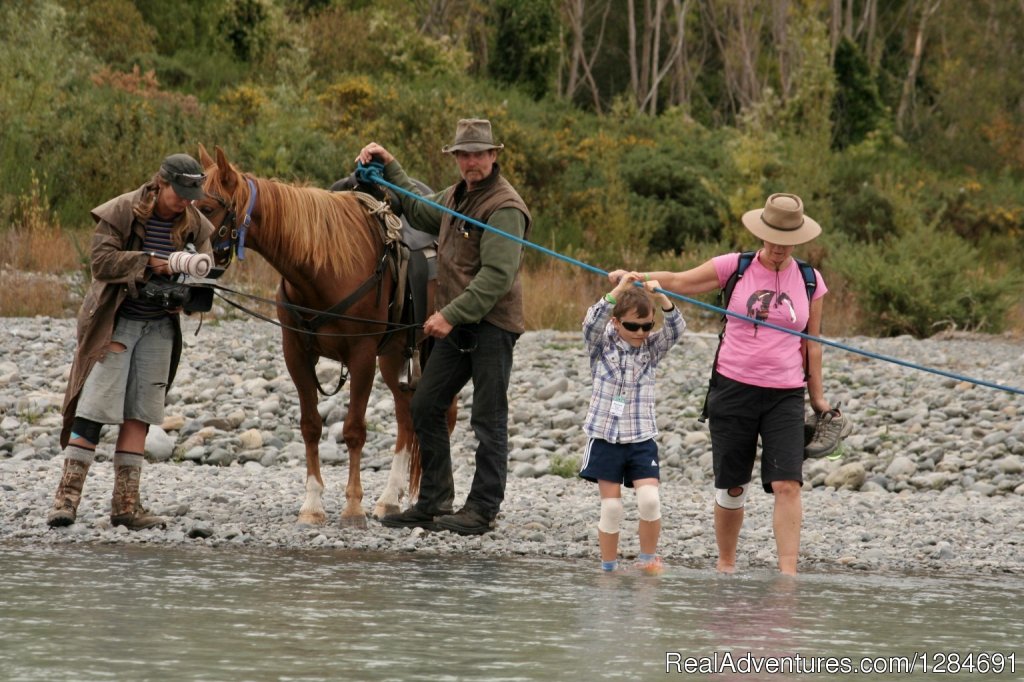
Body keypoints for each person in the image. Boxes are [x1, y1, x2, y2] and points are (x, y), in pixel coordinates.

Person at [611, 193, 835, 575]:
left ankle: (788, 576)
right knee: (733, 487)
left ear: (798, 238)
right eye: (773, 237)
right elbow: (681, 280)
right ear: (762, 233)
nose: (779, 247)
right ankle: (726, 567)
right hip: (733, 389)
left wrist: (819, 402)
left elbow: (811, 344)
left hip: (785, 394)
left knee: (787, 484)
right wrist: (637, 279)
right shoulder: (736, 266)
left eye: (787, 240)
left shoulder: (811, 281)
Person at [355, 118, 532, 535]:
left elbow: (496, 278)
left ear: (493, 156)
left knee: (488, 419)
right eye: (463, 155)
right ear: (456, 159)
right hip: (459, 328)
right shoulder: (456, 195)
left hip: (492, 326)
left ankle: (483, 509)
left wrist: (449, 314)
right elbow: (418, 210)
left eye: (478, 154)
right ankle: (434, 501)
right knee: (425, 405)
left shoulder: (504, 208)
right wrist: (390, 165)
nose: (470, 162)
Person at [47, 153, 215, 530]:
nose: (187, 200)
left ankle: (126, 507)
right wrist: (151, 262)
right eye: (181, 192)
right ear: (162, 183)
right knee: (92, 411)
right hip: (117, 322)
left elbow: (207, 264)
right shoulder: (123, 210)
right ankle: (66, 500)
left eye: (193, 193)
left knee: (140, 414)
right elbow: (101, 262)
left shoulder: (195, 222)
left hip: (159, 328)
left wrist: (190, 285)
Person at [580, 272, 685, 574]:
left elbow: (677, 327)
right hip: (605, 437)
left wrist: (660, 295)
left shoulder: (651, 348)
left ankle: (646, 561)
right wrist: (620, 289)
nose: (640, 332)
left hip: (641, 438)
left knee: (650, 501)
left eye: (646, 326)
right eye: (632, 326)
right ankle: (608, 568)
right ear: (616, 322)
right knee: (611, 508)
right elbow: (591, 322)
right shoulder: (601, 345)